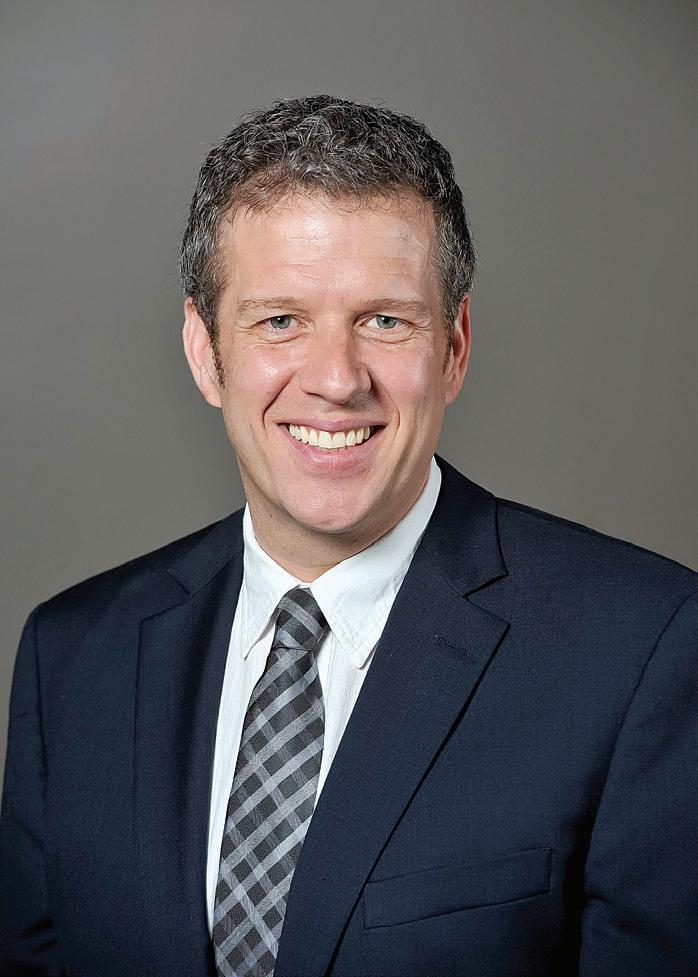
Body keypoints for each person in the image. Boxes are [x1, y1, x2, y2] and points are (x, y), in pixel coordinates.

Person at [0, 95, 696, 977]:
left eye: (385, 320)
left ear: (454, 347)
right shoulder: (72, 656)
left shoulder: (642, 647)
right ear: (205, 352)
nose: (335, 380)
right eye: (280, 320)